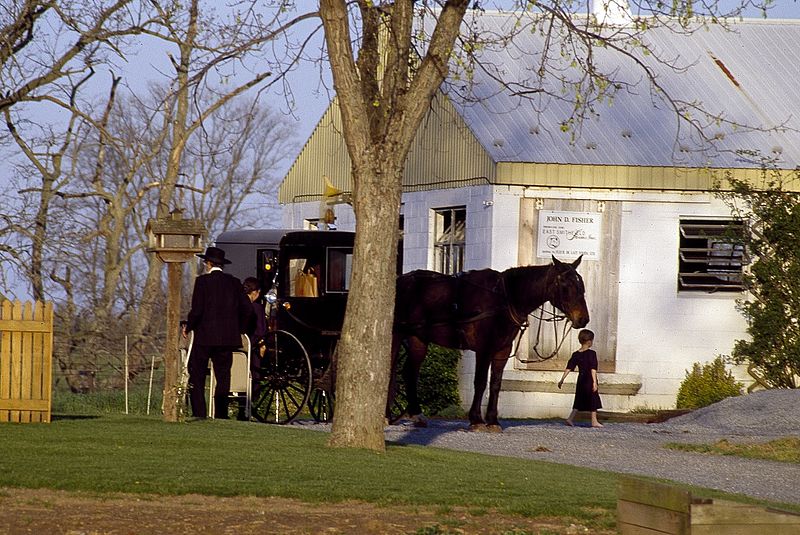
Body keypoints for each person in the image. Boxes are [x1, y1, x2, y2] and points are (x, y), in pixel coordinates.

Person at [183, 246, 254, 419]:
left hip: (204, 337)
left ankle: (199, 412)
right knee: (223, 377)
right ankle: (221, 413)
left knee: (197, 375)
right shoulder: (234, 283)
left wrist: (189, 326)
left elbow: (197, 311)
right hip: (227, 338)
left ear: (208, 263)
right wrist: (239, 329)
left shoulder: (202, 282)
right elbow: (248, 310)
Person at [557, 329, 603, 428]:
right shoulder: (591, 354)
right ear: (589, 341)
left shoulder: (576, 354)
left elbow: (569, 367)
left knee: (579, 399)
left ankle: (570, 418)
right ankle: (594, 421)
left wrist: (562, 379)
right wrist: (594, 382)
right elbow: (593, 368)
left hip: (581, 380)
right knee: (593, 399)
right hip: (589, 379)